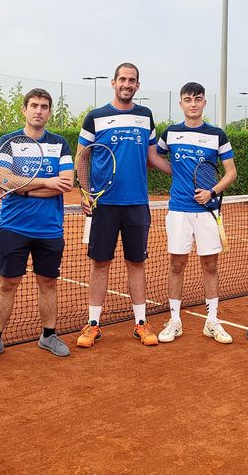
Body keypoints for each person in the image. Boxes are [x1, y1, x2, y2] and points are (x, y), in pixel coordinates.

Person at [75, 62, 171, 348]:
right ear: (113, 82)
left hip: (137, 204)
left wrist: (182, 172)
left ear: (137, 86)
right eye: (123, 79)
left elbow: (153, 157)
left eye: (132, 80)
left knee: (136, 263)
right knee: (100, 263)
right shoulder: (95, 117)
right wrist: (85, 193)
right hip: (104, 204)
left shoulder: (145, 116)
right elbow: (82, 157)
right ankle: (93, 324)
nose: (127, 84)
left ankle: (140, 323)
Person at [0, 88, 74, 363]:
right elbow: (4, 180)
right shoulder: (8, 142)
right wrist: (45, 183)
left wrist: (24, 189)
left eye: (44, 106)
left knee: (48, 283)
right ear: (24, 109)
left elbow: (65, 183)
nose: (39, 111)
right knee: (8, 283)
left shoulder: (60, 144)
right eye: (34, 105)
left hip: (50, 229)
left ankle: (48, 336)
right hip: (14, 227)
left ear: (49, 112)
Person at [155, 82, 237, 344]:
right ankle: (175, 320)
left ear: (204, 103)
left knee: (210, 265)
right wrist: (176, 172)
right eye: (188, 99)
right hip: (178, 210)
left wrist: (211, 192)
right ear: (181, 103)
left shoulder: (217, 135)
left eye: (198, 99)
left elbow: (231, 172)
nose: (193, 103)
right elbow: (154, 157)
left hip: (207, 211)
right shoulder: (170, 133)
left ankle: (212, 321)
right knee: (176, 264)